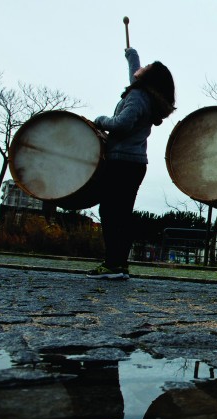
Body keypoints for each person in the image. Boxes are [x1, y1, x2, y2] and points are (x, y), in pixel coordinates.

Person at [87, 48, 175, 279]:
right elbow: (134, 74)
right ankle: (119, 264)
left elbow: (122, 124)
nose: (140, 69)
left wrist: (100, 120)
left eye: (145, 68)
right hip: (134, 164)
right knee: (122, 213)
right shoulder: (146, 95)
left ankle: (113, 264)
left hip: (121, 162)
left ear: (148, 77)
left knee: (111, 212)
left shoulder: (137, 97)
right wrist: (131, 55)